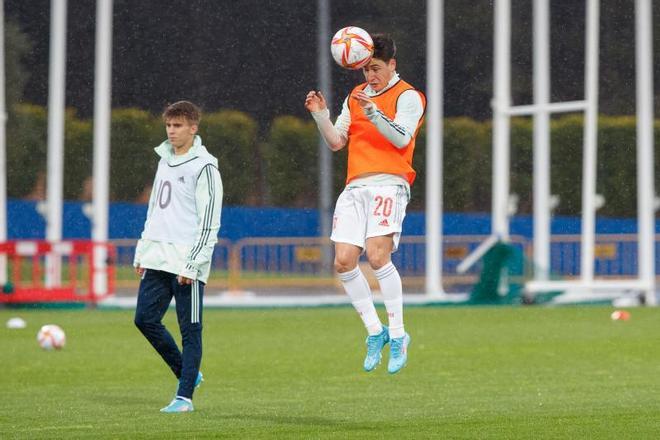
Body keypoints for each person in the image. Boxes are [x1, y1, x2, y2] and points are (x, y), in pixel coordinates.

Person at [305, 34, 426, 374]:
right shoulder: (356, 97)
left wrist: (375, 115)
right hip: (355, 186)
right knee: (343, 262)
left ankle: (400, 334)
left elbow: (402, 136)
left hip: (390, 183)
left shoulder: (409, 96)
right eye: (364, 70)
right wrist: (321, 116)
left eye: (375, 69)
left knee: (376, 256)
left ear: (392, 65)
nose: (370, 77)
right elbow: (336, 142)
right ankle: (376, 332)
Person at [133, 100, 223, 412]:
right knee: (144, 319)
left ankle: (184, 398)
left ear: (193, 128)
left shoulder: (205, 166)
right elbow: (155, 209)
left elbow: (209, 220)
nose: (172, 132)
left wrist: (195, 263)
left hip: (188, 264)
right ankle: (188, 373)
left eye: (178, 126)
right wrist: (143, 252)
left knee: (190, 330)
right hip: (157, 259)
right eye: (169, 126)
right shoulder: (164, 160)